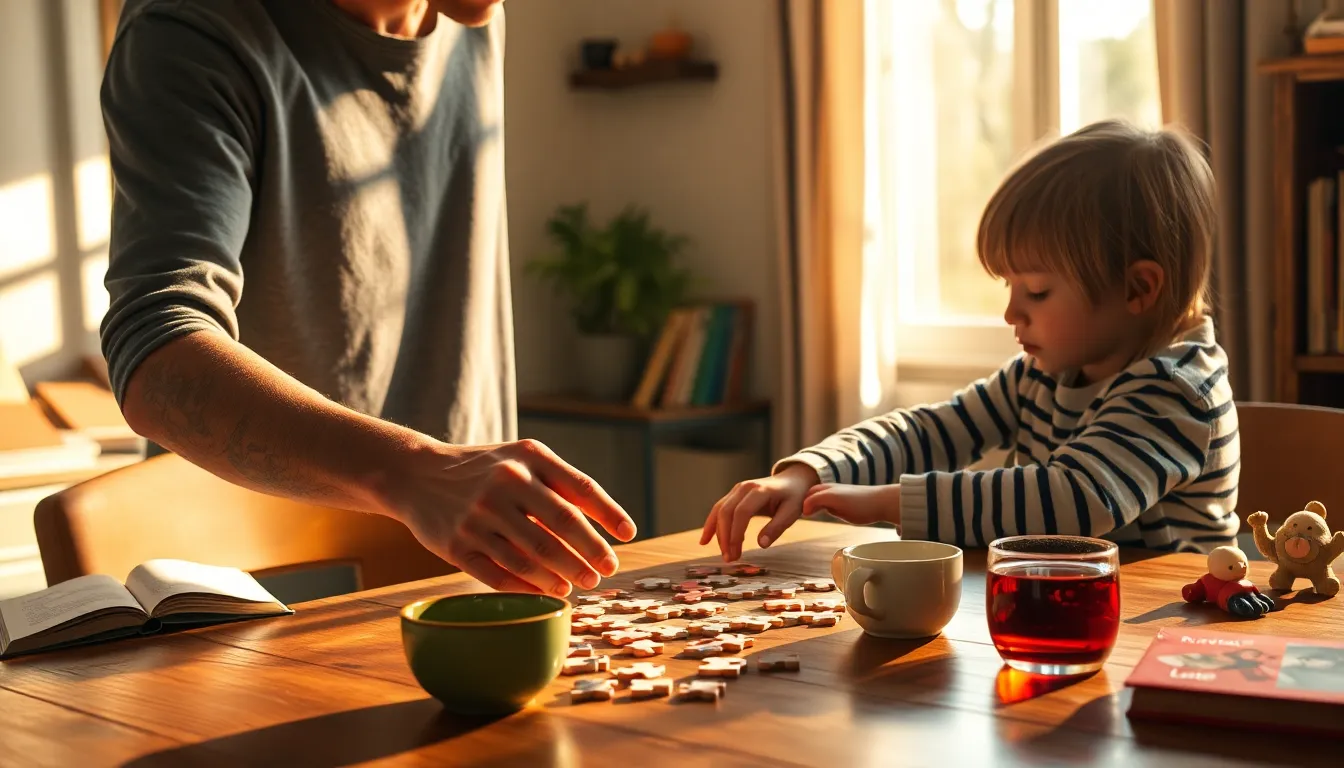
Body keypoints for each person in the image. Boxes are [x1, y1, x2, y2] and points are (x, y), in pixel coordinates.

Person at [100, 0, 636, 599]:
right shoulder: (191, 28)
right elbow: (156, 354)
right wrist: (414, 471)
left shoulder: (468, 20)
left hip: (468, 579)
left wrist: (445, 483)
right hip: (265, 613)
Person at [703, 119, 1239, 561]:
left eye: (1037, 291)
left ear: (1137, 288)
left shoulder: (1177, 387)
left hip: (1163, 639)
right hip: (1064, 617)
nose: (1012, 312)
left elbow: (1072, 499)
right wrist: (810, 473)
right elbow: (931, 430)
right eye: (1011, 287)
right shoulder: (1042, 375)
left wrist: (891, 502)